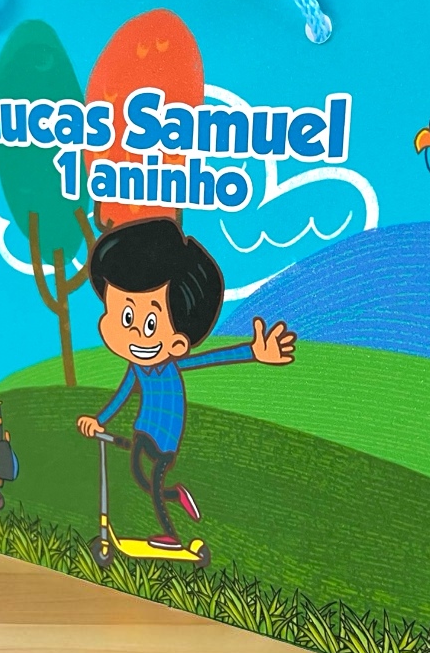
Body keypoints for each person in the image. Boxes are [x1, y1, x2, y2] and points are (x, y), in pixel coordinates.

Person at [76, 218, 296, 549]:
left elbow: (209, 359)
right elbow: (122, 394)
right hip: (143, 427)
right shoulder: (136, 365)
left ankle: (172, 536)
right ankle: (177, 494)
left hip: (166, 432)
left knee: (153, 482)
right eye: (124, 317)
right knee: (140, 476)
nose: (133, 333)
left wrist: (253, 352)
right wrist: (99, 420)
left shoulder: (170, 363)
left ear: (179, 342)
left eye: (150, 323)